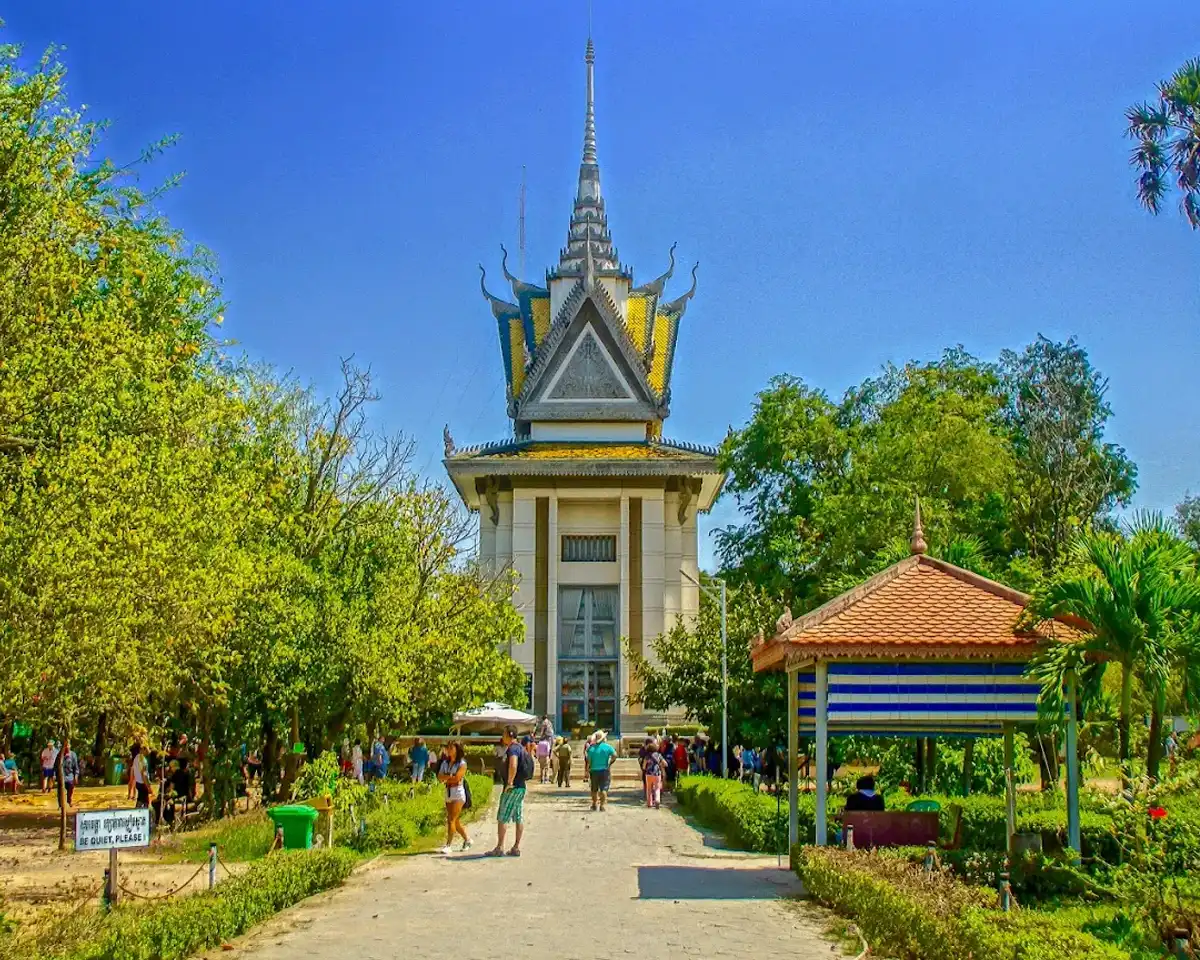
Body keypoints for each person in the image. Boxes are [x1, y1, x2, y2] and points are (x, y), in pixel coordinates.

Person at [487, 725, 527, 857]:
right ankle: (516, 847)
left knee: (503, 817)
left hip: (512, 787)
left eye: (504, 733)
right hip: (521, 787)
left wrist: (509, 782)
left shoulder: (513, 749)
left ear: (509, 734)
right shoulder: (521, 747)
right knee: (519, 816)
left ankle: (500, 847)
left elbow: (513, 765)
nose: (502, 736)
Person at [437, 740, 472, 854]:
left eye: (451, 748)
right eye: (448, 748)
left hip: (458, 791)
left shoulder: (462, 763)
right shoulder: (445, 763)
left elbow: (457, 778)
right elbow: (439, 776)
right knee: (455, 821)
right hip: (448, 791)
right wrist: (449, 776)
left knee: (451, 819)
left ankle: (448, 844)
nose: (449, 750)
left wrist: (447, 777)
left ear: (457, 750)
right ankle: (467, 839)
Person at [587, 730, 617, 812]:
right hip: (604, 770)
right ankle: (602, 805)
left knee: (594, 789)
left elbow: (589, 761)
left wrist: (588, 770)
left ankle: (594, 804)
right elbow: (614, 755)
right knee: (604, 788)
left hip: (593, 770)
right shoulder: (608, 747)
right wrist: (610, 763)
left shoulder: (591, 748)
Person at [643, 741, 665, 809]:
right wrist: (660, 765)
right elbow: (665, 763)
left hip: (648, 774)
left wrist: (645, 768)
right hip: (657, 774)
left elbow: (644, 766)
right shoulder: (659, 755)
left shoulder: (647, 756)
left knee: (649, 788)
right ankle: (657, 800)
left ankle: (649, 803)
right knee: (657, 788)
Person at [59, 740, 80, 808]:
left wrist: (76, 776)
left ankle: (69, 801)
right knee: (60, 791)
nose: (67, 747)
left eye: (68, 745)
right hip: (61, 776)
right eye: (65, 746)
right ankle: (60, 805)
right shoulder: (60, 755)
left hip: (70, 776)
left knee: (70, 788)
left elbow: (76, 767)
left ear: (70, 746)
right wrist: (54, 775)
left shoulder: (73, 755)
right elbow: (56, 766)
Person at [131, 743, 151, 808]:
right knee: (145, 801)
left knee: (141, 799)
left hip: (138, 782)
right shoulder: (143, 760)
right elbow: (144, 774)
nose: (148, 752)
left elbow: (134, 770)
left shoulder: (136, 758)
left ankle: (138, 812)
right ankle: (142, 814)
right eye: (147, 749)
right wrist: (148, 786)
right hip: (143, 783)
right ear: (143, 750)